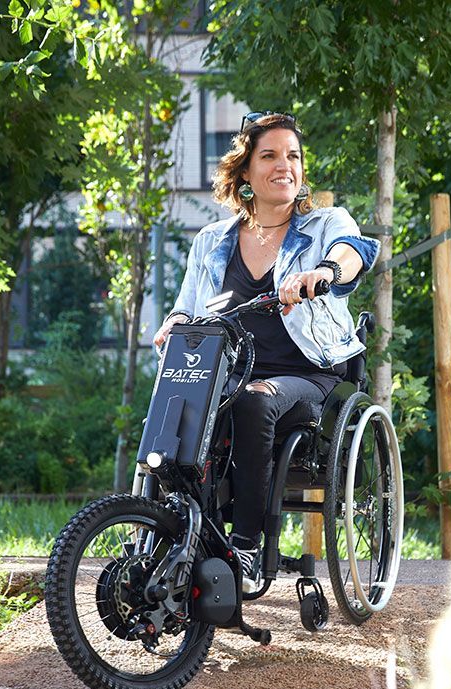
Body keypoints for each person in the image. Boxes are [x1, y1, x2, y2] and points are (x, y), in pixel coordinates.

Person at [152, 112, 378, 593]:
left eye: (292, 156)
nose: (284, 165)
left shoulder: (323, 225)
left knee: (254, 398)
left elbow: (353, 251)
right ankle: (166, 535)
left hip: (307, 372)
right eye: (270, 155)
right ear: (246, 172)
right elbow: (187, 307)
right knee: (177, 400)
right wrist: (172, 324)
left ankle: (248, 546)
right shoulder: (212, 240)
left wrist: (324, 274)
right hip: (228, 372)